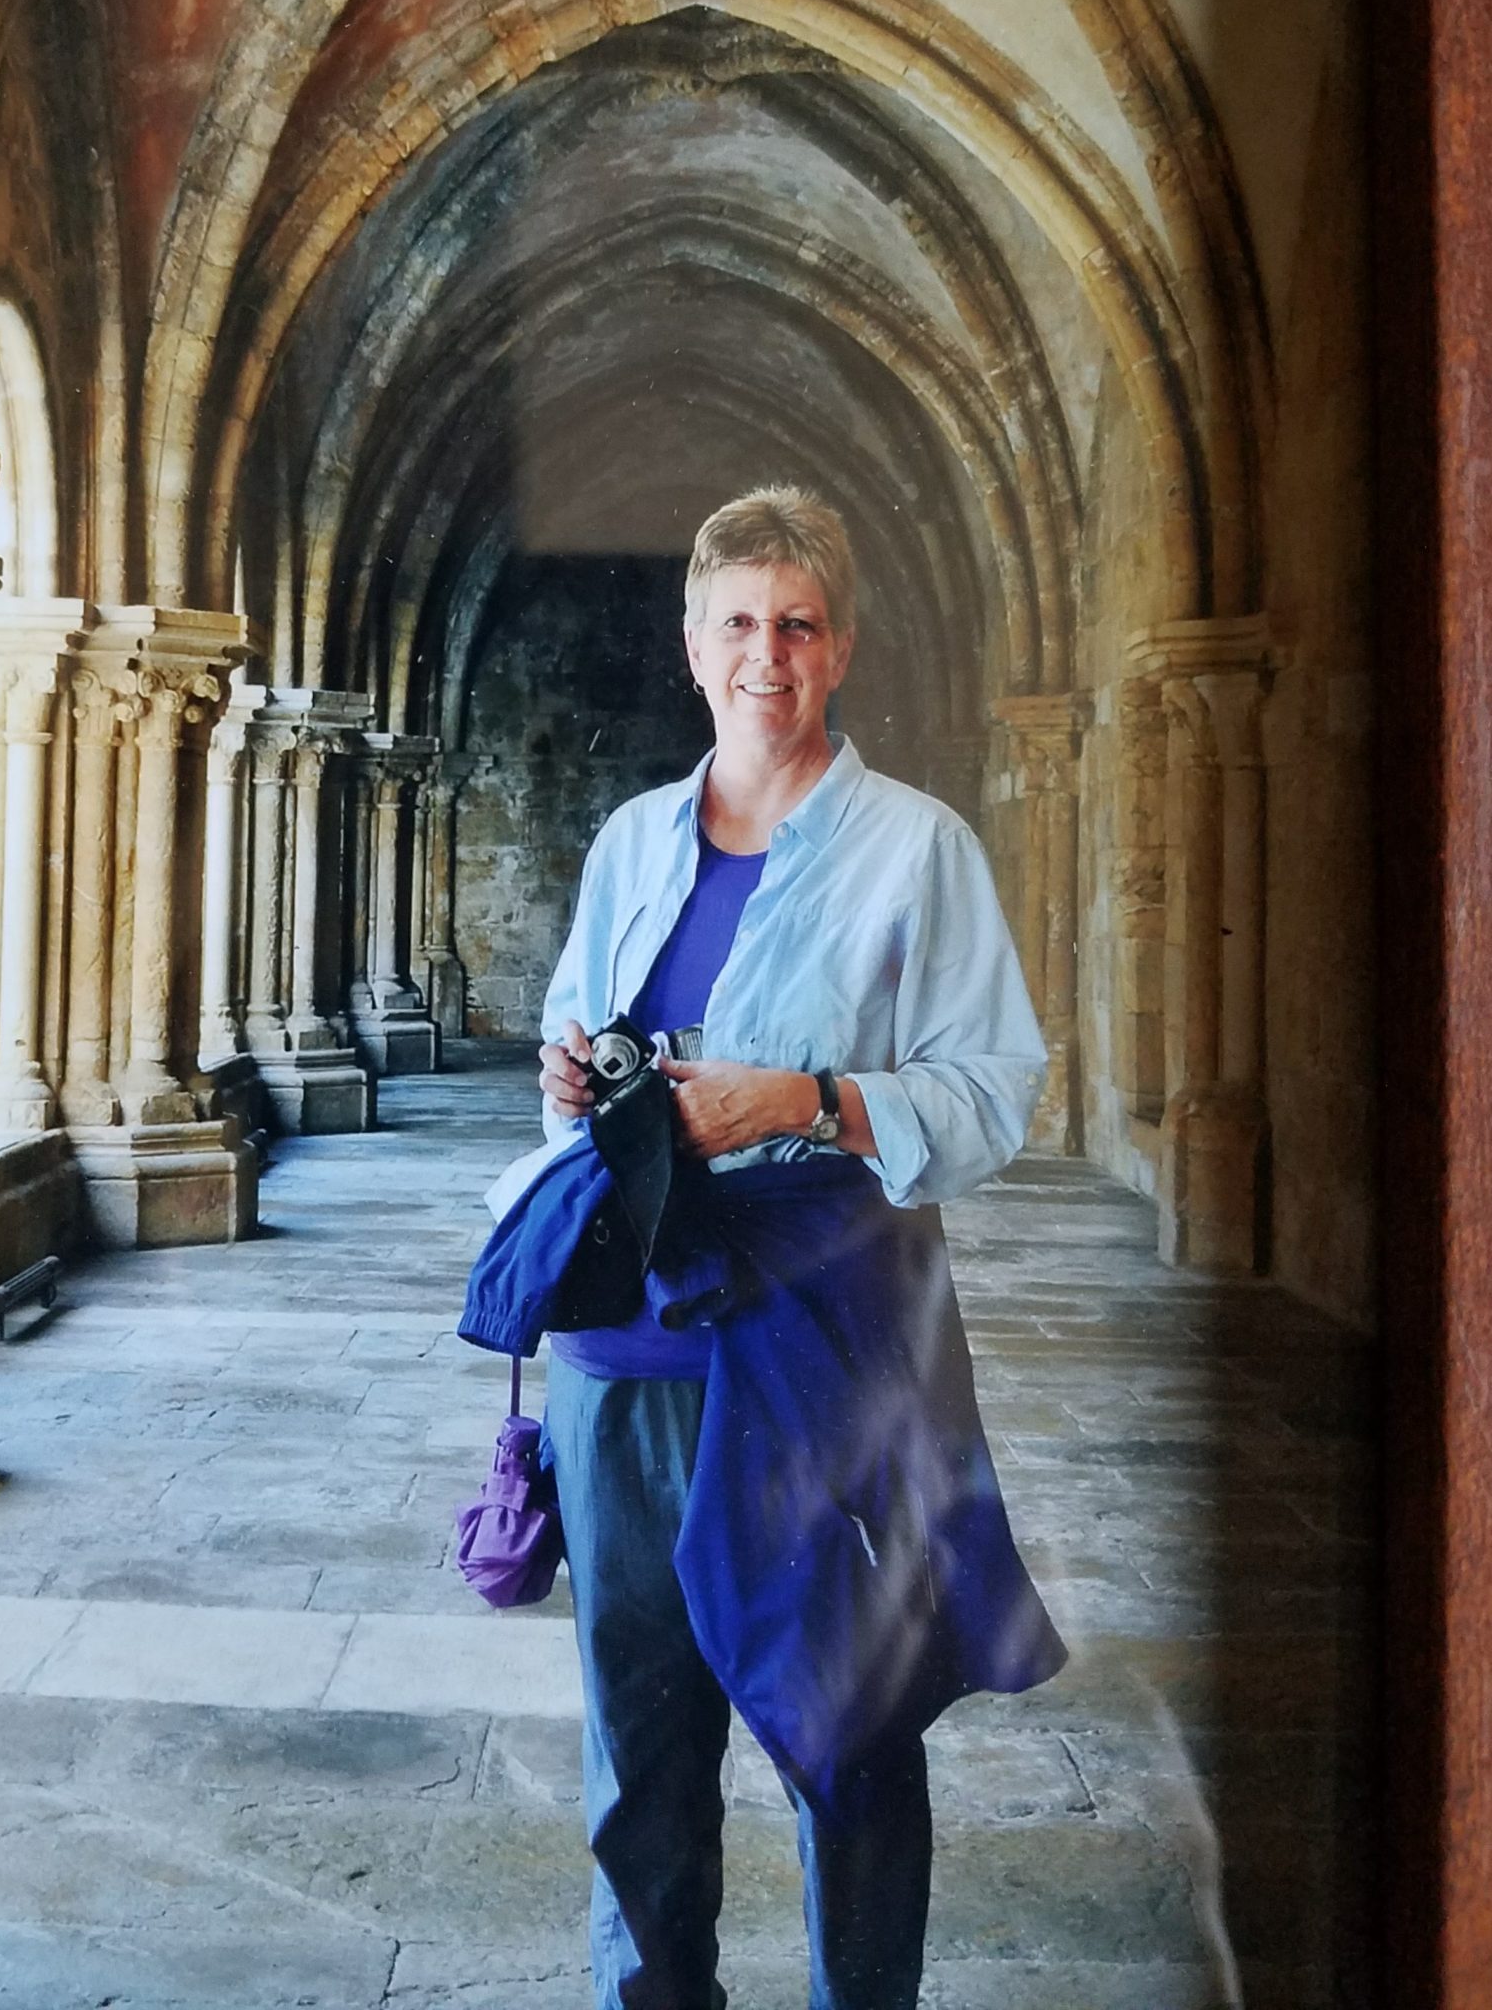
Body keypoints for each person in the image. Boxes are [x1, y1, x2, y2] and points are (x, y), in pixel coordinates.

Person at [532, 484, 1062, 2010]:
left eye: (800, 625)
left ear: (842, 652)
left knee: (852, 1730)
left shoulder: (919, 852)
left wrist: (813, 1100)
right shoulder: (633, 841)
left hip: (827, 1344)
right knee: (639, 1744)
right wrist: (571, 1078)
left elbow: (992, 1098)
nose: (770, 653)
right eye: (741, 623)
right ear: (695, 645)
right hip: (626, 1344)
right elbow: (577, 1041)